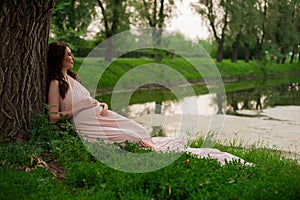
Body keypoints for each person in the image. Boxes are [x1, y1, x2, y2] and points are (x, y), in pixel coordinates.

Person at [47, 41, 251, 166]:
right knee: (132, 138)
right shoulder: (56, 83)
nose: (72, 57)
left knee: (139, 131)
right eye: (69, 54)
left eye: (72, 53)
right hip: (87, 127)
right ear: (59, 58)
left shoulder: (75, 79)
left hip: (102, 116)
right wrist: (81, 108)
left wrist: (101, 105)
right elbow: (53, 117)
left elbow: (88, 100)